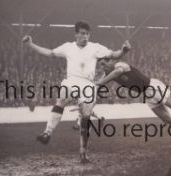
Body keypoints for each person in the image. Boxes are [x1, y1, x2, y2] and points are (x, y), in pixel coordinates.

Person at [22, 20, 130, 163]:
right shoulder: (68, 47)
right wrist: (30, 44)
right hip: (72, 81)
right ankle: (47, 133)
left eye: (87, 34)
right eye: (82, 33)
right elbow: (49, 53)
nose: (85, 36)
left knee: (85, 117)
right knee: (61, 100)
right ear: (76, 35)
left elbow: (114, 55)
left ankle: (83, 153)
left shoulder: (95, 48)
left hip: (87, 85)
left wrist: (123, 50)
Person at [96, 58, 171, 134]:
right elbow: (98, 83)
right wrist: (95, 85)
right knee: (167, 119)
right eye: (101, 65)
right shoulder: (107, 73)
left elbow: (117, 73)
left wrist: (101, 82)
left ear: (111, 60)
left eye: (104, 63)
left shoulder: (119, 65)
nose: (103, 67)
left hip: (153, 87)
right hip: (147, 95)